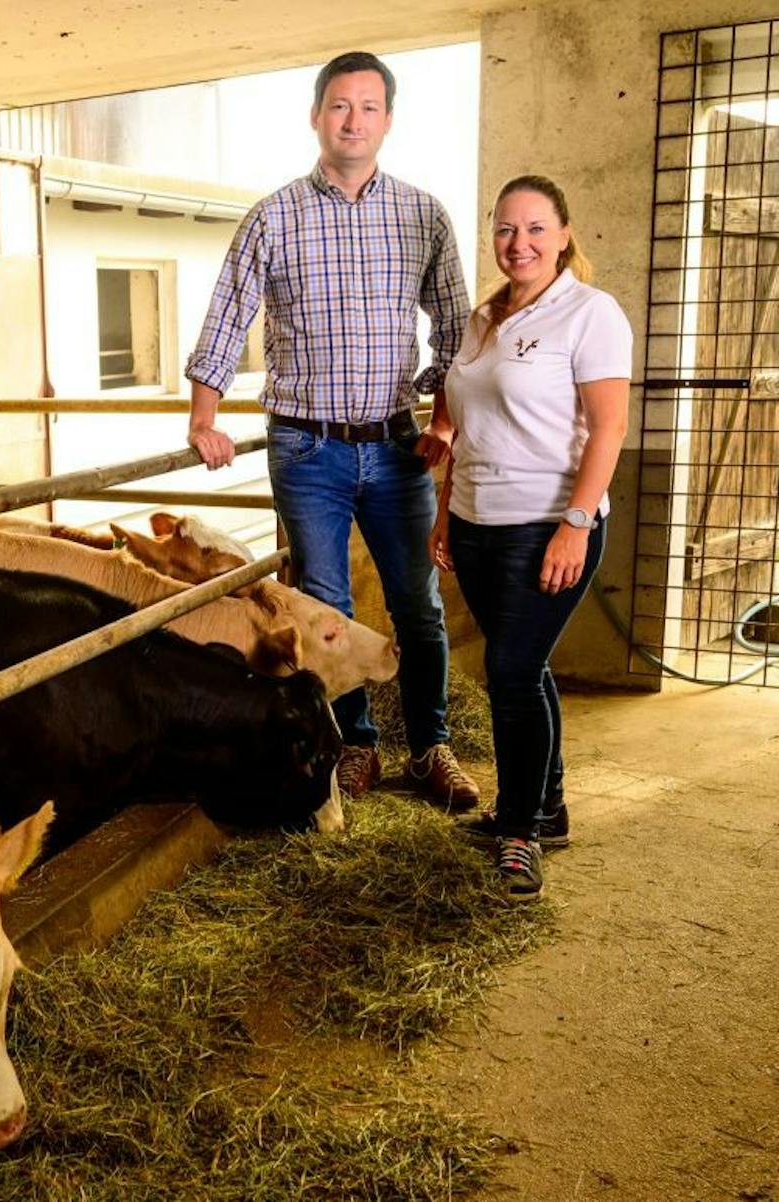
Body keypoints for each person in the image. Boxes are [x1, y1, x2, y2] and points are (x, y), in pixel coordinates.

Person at [184, 50, 479, 807]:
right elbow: (228, 312)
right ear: (316, 116)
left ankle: (432, 746)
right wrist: (204, 416)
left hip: (396, 442)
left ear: (387, 119)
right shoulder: (275, 214)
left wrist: (443, 421)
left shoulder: (422, 214)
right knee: (323, 606)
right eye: (339, 105)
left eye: (369, 106)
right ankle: (354, 750)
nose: (354, 119)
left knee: (417, 603)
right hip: (306, 446)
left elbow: (454, 330)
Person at [426, 175, 631, 902]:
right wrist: (447, 511)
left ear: (565, 234)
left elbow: (608, 427)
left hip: (548, 524)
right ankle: (549, 807)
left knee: (511, 674)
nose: (520, 243)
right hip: (479, 522)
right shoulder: (484, 319)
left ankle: (518, 831)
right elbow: (466, 424)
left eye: (536, 228)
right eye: (507, 229)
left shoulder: (590, 313)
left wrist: (576, 524)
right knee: (528, 669)